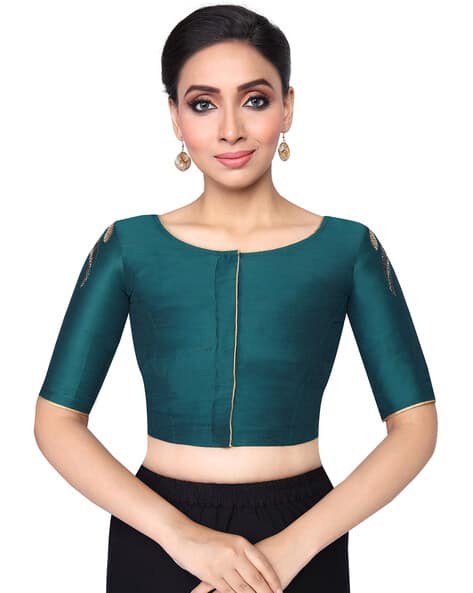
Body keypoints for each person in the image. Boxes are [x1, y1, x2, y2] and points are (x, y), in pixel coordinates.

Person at [33, 4, 438, 592]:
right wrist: (179, 536)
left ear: (288, 107)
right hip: (157, 532)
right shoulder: (127, 245)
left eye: (254, 100)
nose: (230, 130)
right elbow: (56, 421)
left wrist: (289, 550)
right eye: (203, 104)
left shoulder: (349, 247)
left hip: (304, 535)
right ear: (174, 116)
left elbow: (416, 426)